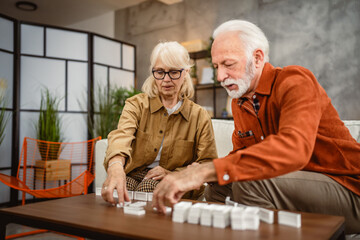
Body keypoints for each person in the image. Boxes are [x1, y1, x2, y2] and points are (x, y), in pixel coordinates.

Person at [152, 20, 360, 233]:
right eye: (216, 67)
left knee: (249, 182)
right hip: (295, 185)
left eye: (228, 64)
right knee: (217, 187)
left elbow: (294, 149)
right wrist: (200, 172)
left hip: (349, 188)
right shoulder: (239, 101)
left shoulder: (296, 80)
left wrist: (207, 170)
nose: (221, 77)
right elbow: (242, 155)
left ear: (257, 58)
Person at [101, 41, 218, 206]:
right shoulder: (137, 105)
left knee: (150, 187)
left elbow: (207, 163)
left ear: (186, 72)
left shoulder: (199, 115)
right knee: (121, 189)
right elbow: (122, 136)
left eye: (174, 72)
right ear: (153, 72)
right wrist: (115, 166)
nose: (166, 79)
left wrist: (173, 174)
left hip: (173, 177)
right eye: (160, 72)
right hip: (134, 173)